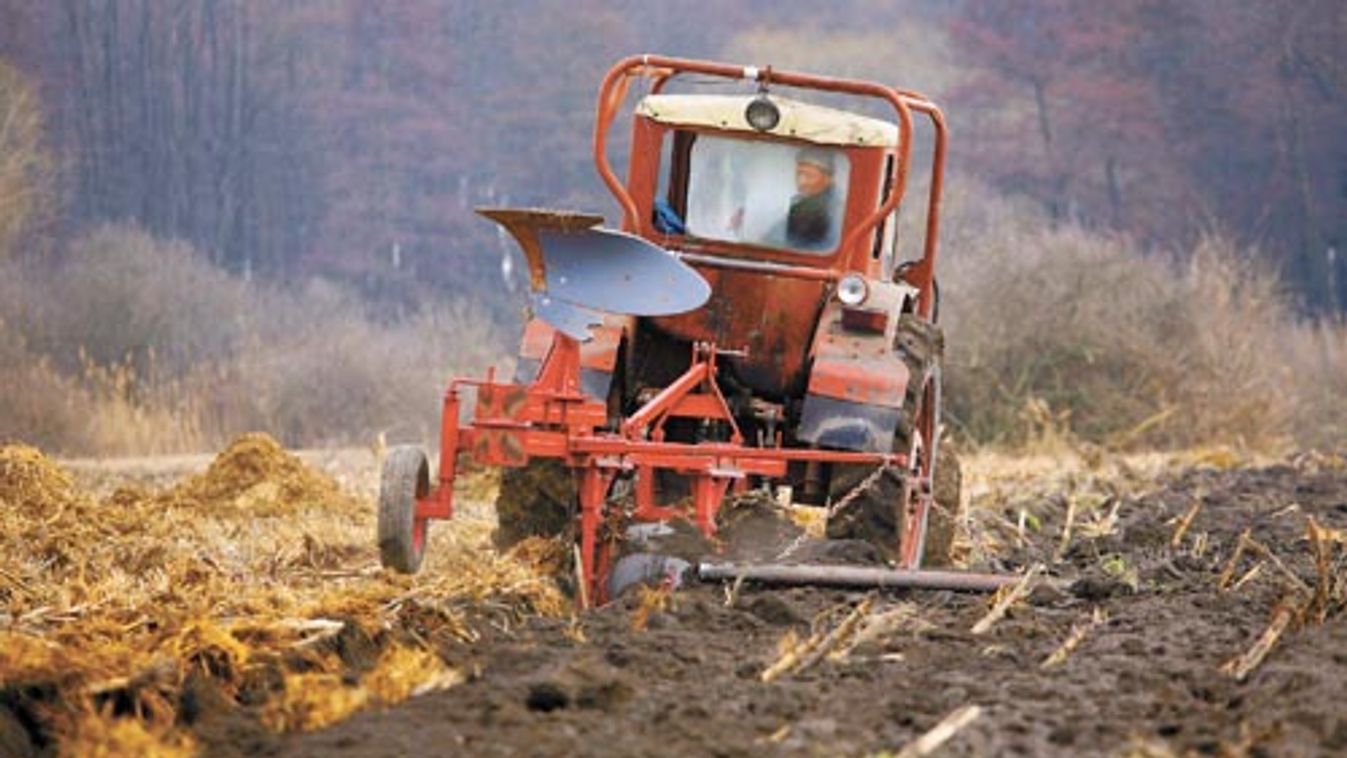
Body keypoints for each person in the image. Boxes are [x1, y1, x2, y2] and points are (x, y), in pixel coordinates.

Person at [785, 146, 837, 249]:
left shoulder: (834, 211)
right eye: (799, 174)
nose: (801, 182)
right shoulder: (799, 206)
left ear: (828, 179)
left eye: (809, 176)